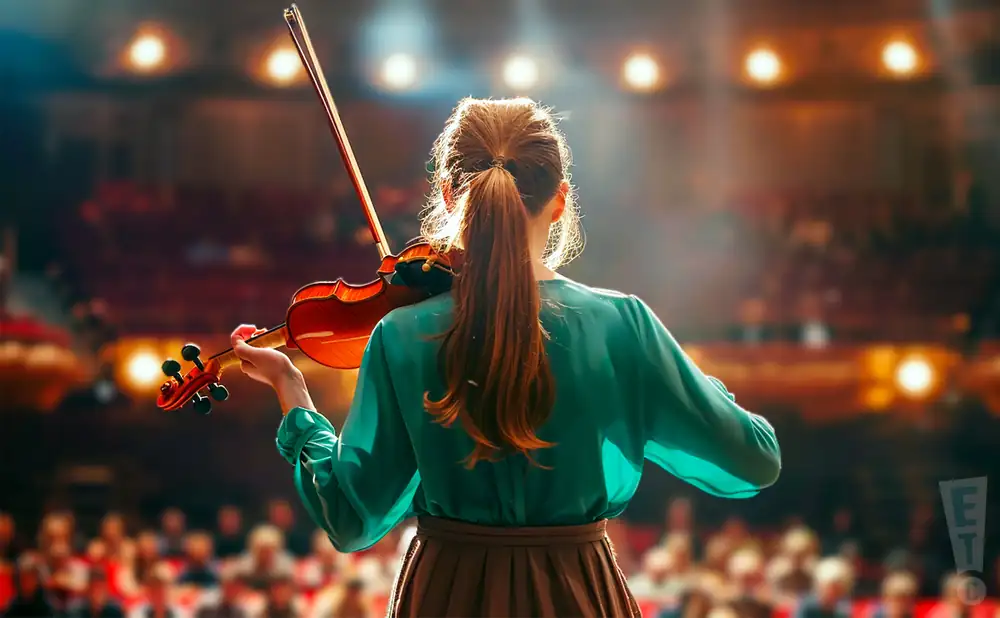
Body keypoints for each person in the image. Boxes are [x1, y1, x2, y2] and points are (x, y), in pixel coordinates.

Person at [230, 96, 781, 617]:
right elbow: (754, 460)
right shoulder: (624, 326)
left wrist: (294, 394)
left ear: (448, 195)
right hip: (577, 589)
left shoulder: (400, 335)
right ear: (561, 199)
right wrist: (684, 381)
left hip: (449, 593)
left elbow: (352, 520)